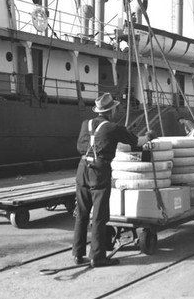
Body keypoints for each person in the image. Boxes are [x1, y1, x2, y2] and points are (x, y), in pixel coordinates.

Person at [72, 93, 156, 267]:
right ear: (112, 110)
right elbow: (136, 141)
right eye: (116, 108)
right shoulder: (112, 128)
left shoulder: (85, 124)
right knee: (99, 216)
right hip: (99, 171)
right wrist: (149, 137)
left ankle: (78, 254)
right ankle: (98, 257)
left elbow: (80, 146)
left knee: (81, 213)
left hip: (82, 169)